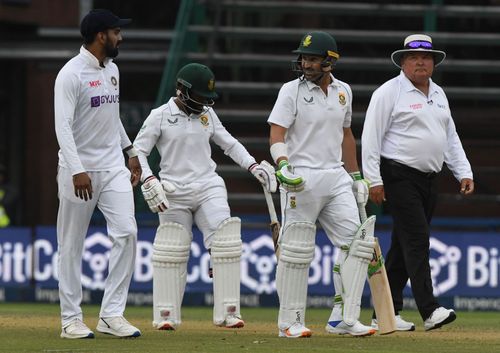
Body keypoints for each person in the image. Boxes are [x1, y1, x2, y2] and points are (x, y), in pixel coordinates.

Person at [133, 62, 277, 331]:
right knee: (173, 249)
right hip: (173, 191)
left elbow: (229, 143)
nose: (203, 103)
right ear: (182, 90)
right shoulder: (160, 115)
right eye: (199, 97)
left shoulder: (207, 114)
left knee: (225, 241)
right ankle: (166, 315)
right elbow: (138, 151)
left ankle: (228, 312)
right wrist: (149, 178)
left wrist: (253, 166)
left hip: (208, 186)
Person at [361, 34, 474, 332]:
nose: (421, 62)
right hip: (398, 175)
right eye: (414, 57)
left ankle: (385, 313)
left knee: (402, 246)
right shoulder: (388, 92)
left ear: (434, 63)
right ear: (403, 62)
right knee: (417, 240)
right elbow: (371, 137)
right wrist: (373, 179)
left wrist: (464, 171)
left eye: (426, 57)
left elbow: (449, 137)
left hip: (428, 179)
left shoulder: (438, 94)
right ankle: (430, 309)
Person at [267, 31, 376, 338]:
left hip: (336, 176)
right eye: (304, 58)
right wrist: (283, 165)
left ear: (330, 61)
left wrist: (356, 176)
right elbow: (277, 134)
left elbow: (346, 135)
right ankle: (290, 321)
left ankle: (344, 317)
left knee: (358, 245)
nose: (306, 63)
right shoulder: (291, 91)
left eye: (313, 58)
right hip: (300, 178)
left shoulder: (344, 91)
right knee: (296, 251)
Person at [54, 9, 142, 339]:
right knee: (71, 244)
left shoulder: (113, 69)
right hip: (78, 171)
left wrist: (130, 151)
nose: (121, 37)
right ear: (101, 35)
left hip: (112, 167)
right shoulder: (70, 75)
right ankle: (70, 320)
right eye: (116, 32)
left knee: (127, 233)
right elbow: (62, 126)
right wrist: (77, 170)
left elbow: (111, 116)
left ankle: (111, 315)